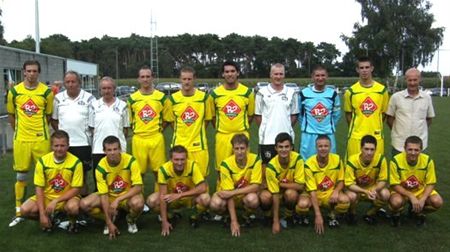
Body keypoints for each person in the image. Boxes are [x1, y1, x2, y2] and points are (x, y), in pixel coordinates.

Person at [7, 60, 54, 227]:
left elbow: (48, 116)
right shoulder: (14, 92)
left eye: (35, 71)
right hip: (21, 139)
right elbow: (11, 115)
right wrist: (19, 131)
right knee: (21, 176)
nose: (32, 74)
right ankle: (19, 211)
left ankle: (49, 209)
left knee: (46, 176)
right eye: (29, 71)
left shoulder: (46, 93)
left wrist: (39, 130)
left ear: (38, 73)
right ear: (24, 72)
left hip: (41, 139)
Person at [80, 136, 144, 238]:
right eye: (109, 150)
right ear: (104, 151)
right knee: (84, 204)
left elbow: (138, 187)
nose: (112, 152)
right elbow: (104, 195)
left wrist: (118, 199)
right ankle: (110, 218)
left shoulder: (131, 161)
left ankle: (130, 219)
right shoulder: (101, 167)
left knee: (138, 203)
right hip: (109, 196)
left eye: (115, 149)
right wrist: (109, 222)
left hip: (126, 196)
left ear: (120, 149)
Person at [19, 130, 83, 232]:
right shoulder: (43, 161)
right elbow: (39, 188)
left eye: (62, 145)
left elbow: (76, 189)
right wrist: (42, 214)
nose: (59, 149)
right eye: (56, 146)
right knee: (24, 210)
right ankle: (50, 219)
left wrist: (56, 201)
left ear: (68, 146)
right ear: (51, 146)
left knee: (73, 208)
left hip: (68, 197)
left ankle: (73, 223)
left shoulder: (76, 162)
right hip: (47, 197)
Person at [146, 145, 210, 236]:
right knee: (151, 201)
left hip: (189, 198)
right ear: (171, 159)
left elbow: (203, 187)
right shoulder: (163, 170)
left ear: (186, 159)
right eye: (176, 159)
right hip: (171, 199)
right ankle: (170, 216)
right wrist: (164, 222)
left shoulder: (192, 166)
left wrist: (180, 195)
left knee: (206, 198)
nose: (179, 163)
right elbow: (162, 196)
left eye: (182, 159)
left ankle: (194, 215)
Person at [209, 134, 262, 236]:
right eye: (236, 148)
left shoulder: (255, 160)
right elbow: (227, 194)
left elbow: (256, 186)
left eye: (242, 148)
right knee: (215, 204)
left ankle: (246, 215)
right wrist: (234, 221)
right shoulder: (225, 164)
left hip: (244, 195)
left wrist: (234, 192)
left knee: (253, 199)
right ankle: (226, 215)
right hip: (227, 195)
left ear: (247, 148)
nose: (239, 151)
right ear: (232, 149)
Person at [51, 71, 95, 196]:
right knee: (64, 177)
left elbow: (93, 123)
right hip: (64, 145)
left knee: (82, 179)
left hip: (83, 144)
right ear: (64, 83)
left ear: (79, 83)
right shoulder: (58, 98)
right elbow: (54, 120)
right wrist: (61, 136)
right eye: (67, 82)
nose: (70, 84)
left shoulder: (89, 98)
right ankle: (65, 206)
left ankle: (82, 208)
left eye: (73, 81)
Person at [165, 66, 213, 176]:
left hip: (199, 146)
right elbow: (172, 122)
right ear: (180, 79)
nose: (187, 82)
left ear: (194, 79)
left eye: (189, 79)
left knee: (201, 178)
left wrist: (196, 130)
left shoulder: (204, 98)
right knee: (178, 179)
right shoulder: (172, 100)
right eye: (184, 79)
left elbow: (207, 121)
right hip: (179, 146)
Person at [298, 135, 349, 234]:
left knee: (345, 201)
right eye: (320, 146)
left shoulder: (337, 160)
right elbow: (312, 191)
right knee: (302, 205)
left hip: (329, 193)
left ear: (330, 147)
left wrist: (336, 191)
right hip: (313, 194)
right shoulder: (309, 164)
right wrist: (318, 215)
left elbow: (341, 181)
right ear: (316, 148)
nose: (323, 149)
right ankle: (305, 216)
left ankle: (332, 215)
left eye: (326, 146)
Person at [389, 136, 443, 227]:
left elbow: (431, 183)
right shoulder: (395, 161)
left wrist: (423, 199)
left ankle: (418, 212)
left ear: (421, 150)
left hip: (420, 191)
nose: (413, 153)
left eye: (416, 150)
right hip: (402, 191)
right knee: (396, 202)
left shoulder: (427, 161)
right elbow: (394, 185)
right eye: (410, 149)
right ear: (405, 149)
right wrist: (411, 196)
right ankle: (396, 215)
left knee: (437, 202)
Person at [210, 61, 254, 172]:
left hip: (242, 134)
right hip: (223, 136)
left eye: (233, 71)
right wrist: (223, 128)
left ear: (238, 73)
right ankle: (222, 189)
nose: (230, 74)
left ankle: (243, 189)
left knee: (243, 168)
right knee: (221, 169)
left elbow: (250, 115)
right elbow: (213, 117)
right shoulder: (215, 94)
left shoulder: (247, 93)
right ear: (223, 74)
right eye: (227, 72)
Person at [259, 133, 305, 234]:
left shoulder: (298, 159)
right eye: (280, 147)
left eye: (286, 147)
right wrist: (276, 221)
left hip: (289, 191)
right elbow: (275, 194)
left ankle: (288, 216)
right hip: (276, 193)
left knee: (291, 194)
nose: (284, 150)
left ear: (291, 147)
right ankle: (268, 217)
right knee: (264, 197)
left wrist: (279, 184)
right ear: (275, 148)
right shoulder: (271, 166)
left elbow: (300, 186)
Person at [343, 56, 389, 158]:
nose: (364, 70)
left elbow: (384, 113)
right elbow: (348, 115)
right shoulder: (350, 91)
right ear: (357, 70)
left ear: (372, 68)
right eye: (361, 68)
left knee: (376, 166)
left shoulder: (382, 91)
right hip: (356, 136)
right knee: (354, 165)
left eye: (367, 67)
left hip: (376, 135)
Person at [127, 66, 168, 180]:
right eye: (142, 77)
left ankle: (160, 195)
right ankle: (138, 196)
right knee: (139, 173)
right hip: (139, 139)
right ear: (138, 79)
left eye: (148, 76)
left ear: (152, 78)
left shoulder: (161, 97)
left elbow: (167, 119)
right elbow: (130, 121)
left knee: (159, 172)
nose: (145, 79)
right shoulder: (132, 99)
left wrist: (157, 129)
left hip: (156, 138)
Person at [255, 63, 299, 165]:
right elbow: (258, 116)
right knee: (266, 170)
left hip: (287, 140)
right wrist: (267, 128)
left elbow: (294, 115)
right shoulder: (262, 92)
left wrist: (285, 126)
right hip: (267, 139)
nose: (278, 77)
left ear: (284, 75)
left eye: (281, 74)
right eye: (275, 74)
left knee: (288, 170)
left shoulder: (292, 92)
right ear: (270, 75)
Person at [89, 76, 129, 188]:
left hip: (118, 149)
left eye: (109, 88)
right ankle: (100, 203)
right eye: (104, 88)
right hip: (98, 149)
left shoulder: (123, 105)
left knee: (119, 180)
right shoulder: (94, 105)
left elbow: (126, 129)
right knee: (100, 180)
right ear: (100, 90)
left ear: (114, 89)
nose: (107, 91)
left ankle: (120, 202)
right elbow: (92, 128)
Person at [386, 68, 435, 156]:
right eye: (410, 80)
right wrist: (399, 131)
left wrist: (419, 130)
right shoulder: (396, 97)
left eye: (415, 80)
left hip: (420, 145)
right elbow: (389, 119)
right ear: (406, 80)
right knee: (397, 169)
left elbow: (429, 119)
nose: (412, 83)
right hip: (399, 145)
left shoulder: (426, 98)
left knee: (420, 169)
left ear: (419, 79)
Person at [344, 134, 390, 225]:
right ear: (361, 149)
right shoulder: (352, 160)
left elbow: (383, 180)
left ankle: (370, 214)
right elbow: (349, 184)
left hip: (373, 189)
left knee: (385, 194)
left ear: (375, 150)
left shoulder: (381, 159)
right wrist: (365, 191)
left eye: (372, 149)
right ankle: (352, 213)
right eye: (366, 149)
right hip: (357, 189)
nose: (369, 152)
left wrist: (374, 189)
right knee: (352, 196)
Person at [298, 65, 341, 160]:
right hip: (309, 135)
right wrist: (308, 126)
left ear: (327, 76)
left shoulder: (333, 94)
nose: (320, 78)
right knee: (307, 163)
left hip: (328, 134)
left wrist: (327, 126)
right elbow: (300, 115)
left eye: (323, 75)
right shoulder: (304, 93)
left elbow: (336, 115)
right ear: (312, 77)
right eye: (317, 75)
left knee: (329, 163)